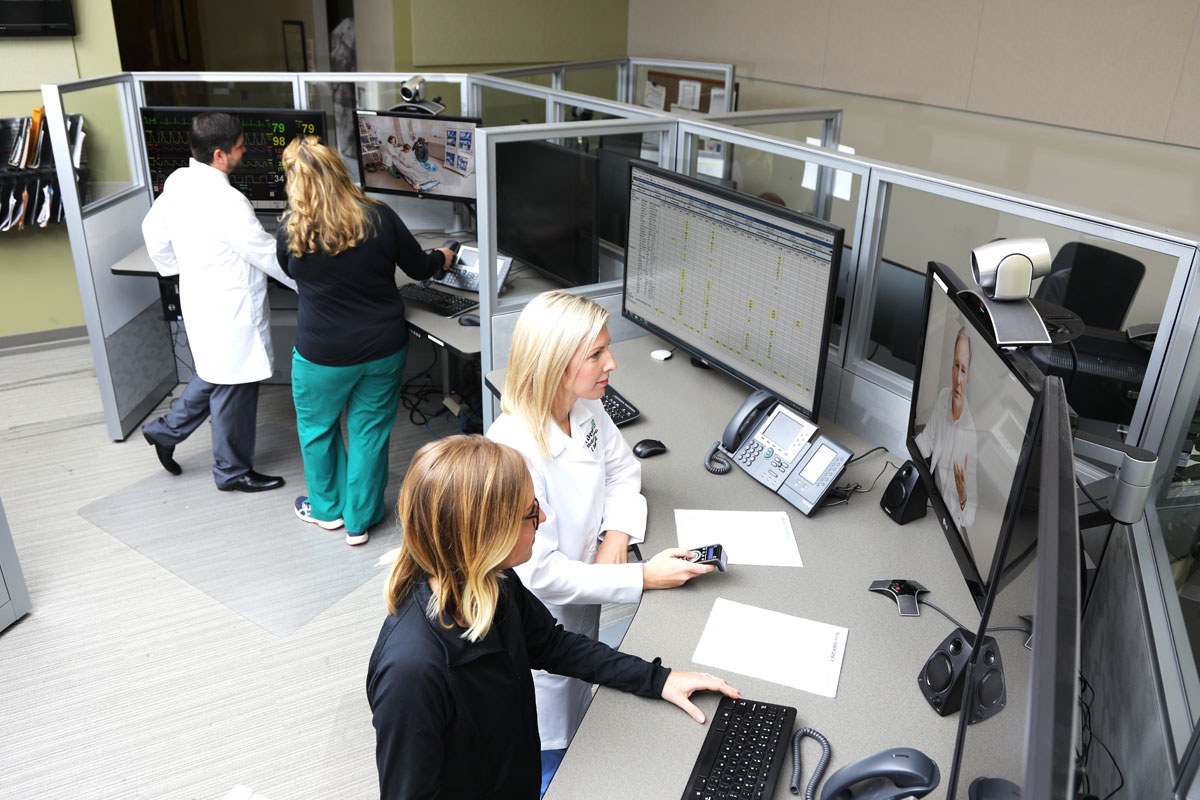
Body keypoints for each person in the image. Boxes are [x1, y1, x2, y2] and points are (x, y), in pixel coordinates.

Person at [366, 435, 739, 799]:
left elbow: (552, 645)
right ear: (486, 532)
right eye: (530, 512)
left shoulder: (492, 580)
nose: (543, 518)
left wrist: (658, 679)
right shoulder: (411, 671)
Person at [486, 290, 715, 791]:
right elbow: (535, 571)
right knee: (553, 749)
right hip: (541, 618)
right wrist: (642, 575)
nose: (611, 363)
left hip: (584, 600)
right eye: (595, 355)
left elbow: (624, 470)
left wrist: (615, 540)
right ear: (553, 363)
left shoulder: (584, 409)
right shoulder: (513, 448)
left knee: (585, 695)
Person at [276, 136, 456, 545]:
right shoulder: (379, 216)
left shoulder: (291, 228)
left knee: (318, 430)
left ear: (294, 182)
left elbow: (290, 272)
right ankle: (359, 521)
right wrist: (444, 257)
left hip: (321, 354)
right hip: (381, 348)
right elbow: (419, 265)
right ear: (340, 170)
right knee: (369, 432)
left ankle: (326, 512)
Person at [141, 111, 297, 493]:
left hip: (200, 297)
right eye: (240, 148)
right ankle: (231, 471)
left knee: (214, 372)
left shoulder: (179, 180)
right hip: (231, 309)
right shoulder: (228, 200)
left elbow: (152, 231)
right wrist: (308, 282)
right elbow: (263, 252)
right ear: (219, 155)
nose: (244, 153)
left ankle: (165, 431)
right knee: (234, 386)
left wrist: (178, 268)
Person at [915, 325, 977, 531]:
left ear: (969, 378)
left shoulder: (971, 436)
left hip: (947, 525)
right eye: (955, 366)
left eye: (964, 370)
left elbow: (969, 518)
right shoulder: (943, 397)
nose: (958, 378)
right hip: (930, 502)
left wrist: (963, 496)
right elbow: (926, 442)